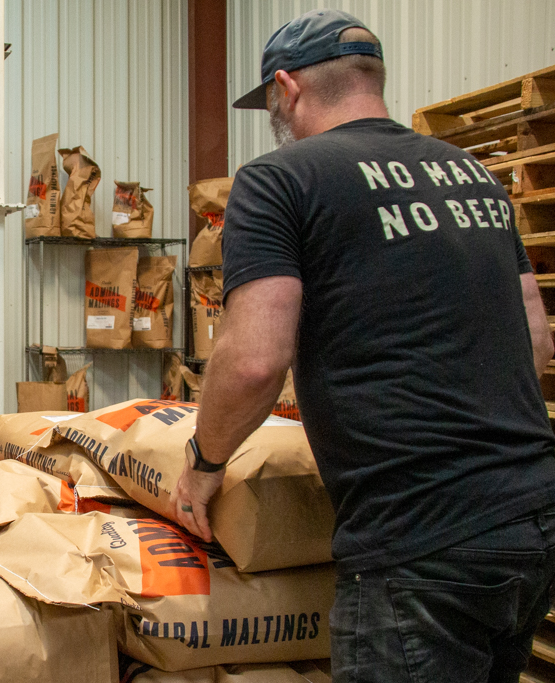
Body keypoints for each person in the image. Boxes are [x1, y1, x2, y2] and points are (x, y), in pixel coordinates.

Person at [170, 10, 555, 682]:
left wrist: (205, 459)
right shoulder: (471, 174)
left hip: (419, 538)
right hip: (533, 517)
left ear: (286, 87)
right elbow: (536, 342)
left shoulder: (280, 178)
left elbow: (257, 357)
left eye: (267, 101)